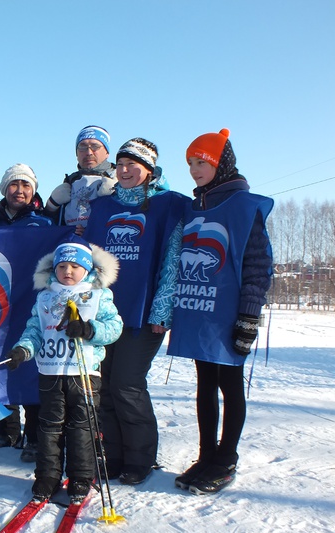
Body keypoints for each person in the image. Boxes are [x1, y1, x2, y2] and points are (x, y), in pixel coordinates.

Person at [168, 129, 273, 494]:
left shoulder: (244, 207)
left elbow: (259, 266)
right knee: (204, 386)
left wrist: (248, 318)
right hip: (198, 312)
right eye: (191, 164)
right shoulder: (194, 207)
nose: (195, 170)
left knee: (230, 385)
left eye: (203, 163)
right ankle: (206, 455)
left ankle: (226, 457)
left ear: (221, 164)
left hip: (227, 317)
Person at [83, 138, 188, 485]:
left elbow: (172, 260)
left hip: (143, 315)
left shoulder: (168, 205)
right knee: (106, 386)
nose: (125, 171)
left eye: (133, 165)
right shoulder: (101, 208)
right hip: (103, 313)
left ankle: (140, 458)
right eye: (121, 164)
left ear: (149, 169)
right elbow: (88, 260)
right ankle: (112, 455)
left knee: (128, 385)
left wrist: (161, 311)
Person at [5, 237, 122, 502]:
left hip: (83, 373)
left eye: (74, 266)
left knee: (81, 425)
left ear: (87, 270)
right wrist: (22, 350)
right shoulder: (46, 297)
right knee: (49, 426)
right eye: (62, 267)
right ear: (54, 269)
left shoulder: (97, 295)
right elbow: (34, 330)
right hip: (51, 371)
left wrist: (89, 329)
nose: (67, 271)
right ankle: (47, 476)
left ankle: (81, 477)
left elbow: (115, 328)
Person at [0, 163, 51, 462]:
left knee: (29, 367)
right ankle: (7, 429)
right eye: (14, 185)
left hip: (29, 302)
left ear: (33, 191)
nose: (20, 191)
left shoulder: (44, 223)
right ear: (5, 189)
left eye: (26, 185)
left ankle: (34, 436)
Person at [43, 125, 117, 233]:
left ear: (107, 152)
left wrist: (119, 196)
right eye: (82, 147)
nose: (89, 152)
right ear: (77, 154)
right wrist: (51, 206)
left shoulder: (122, 178)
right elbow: (50, 228)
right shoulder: (70, 182)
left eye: (95, 146)